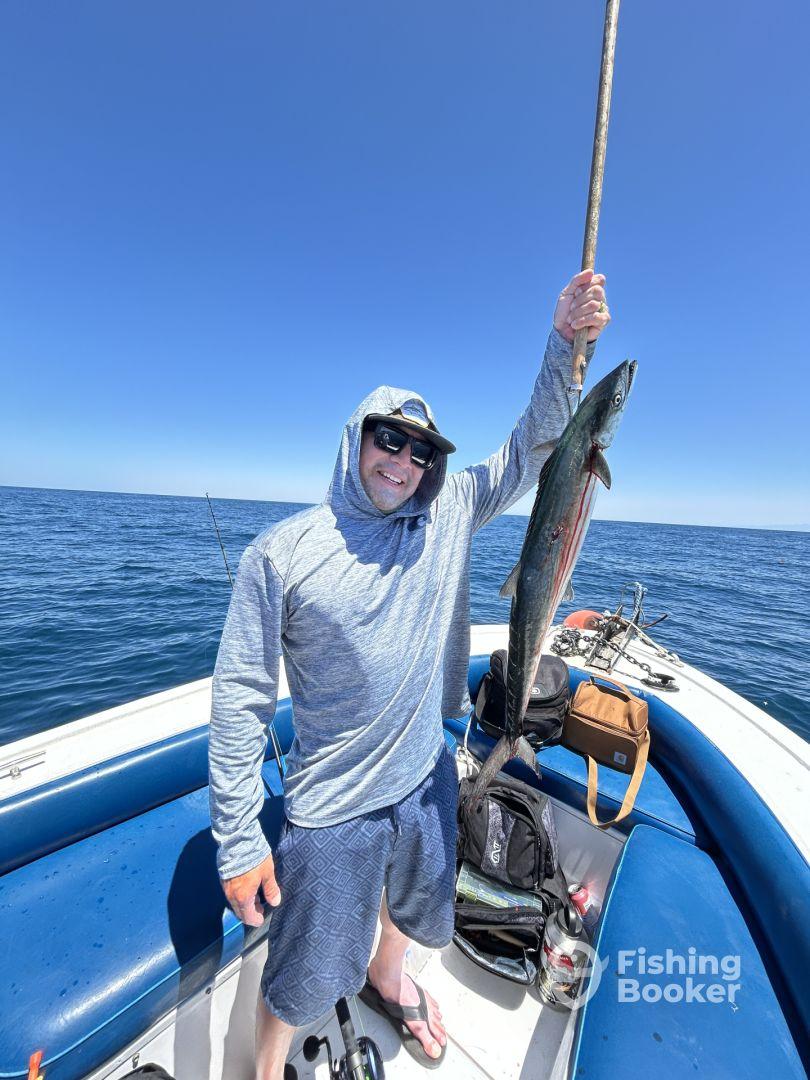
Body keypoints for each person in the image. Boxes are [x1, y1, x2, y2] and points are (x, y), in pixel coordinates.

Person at [209, 269, 611, 1079]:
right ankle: (264, 1069)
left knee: (418, 913)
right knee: (301, 975)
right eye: (388, 439)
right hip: (330, 809)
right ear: (355, 438)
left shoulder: (451, 512)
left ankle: (390, 981)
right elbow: (240, 701)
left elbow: (534, 442)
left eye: (422, 449)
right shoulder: (281, 555)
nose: (404, 460)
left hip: (428, 772)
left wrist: (564, 341)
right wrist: (237, 839)